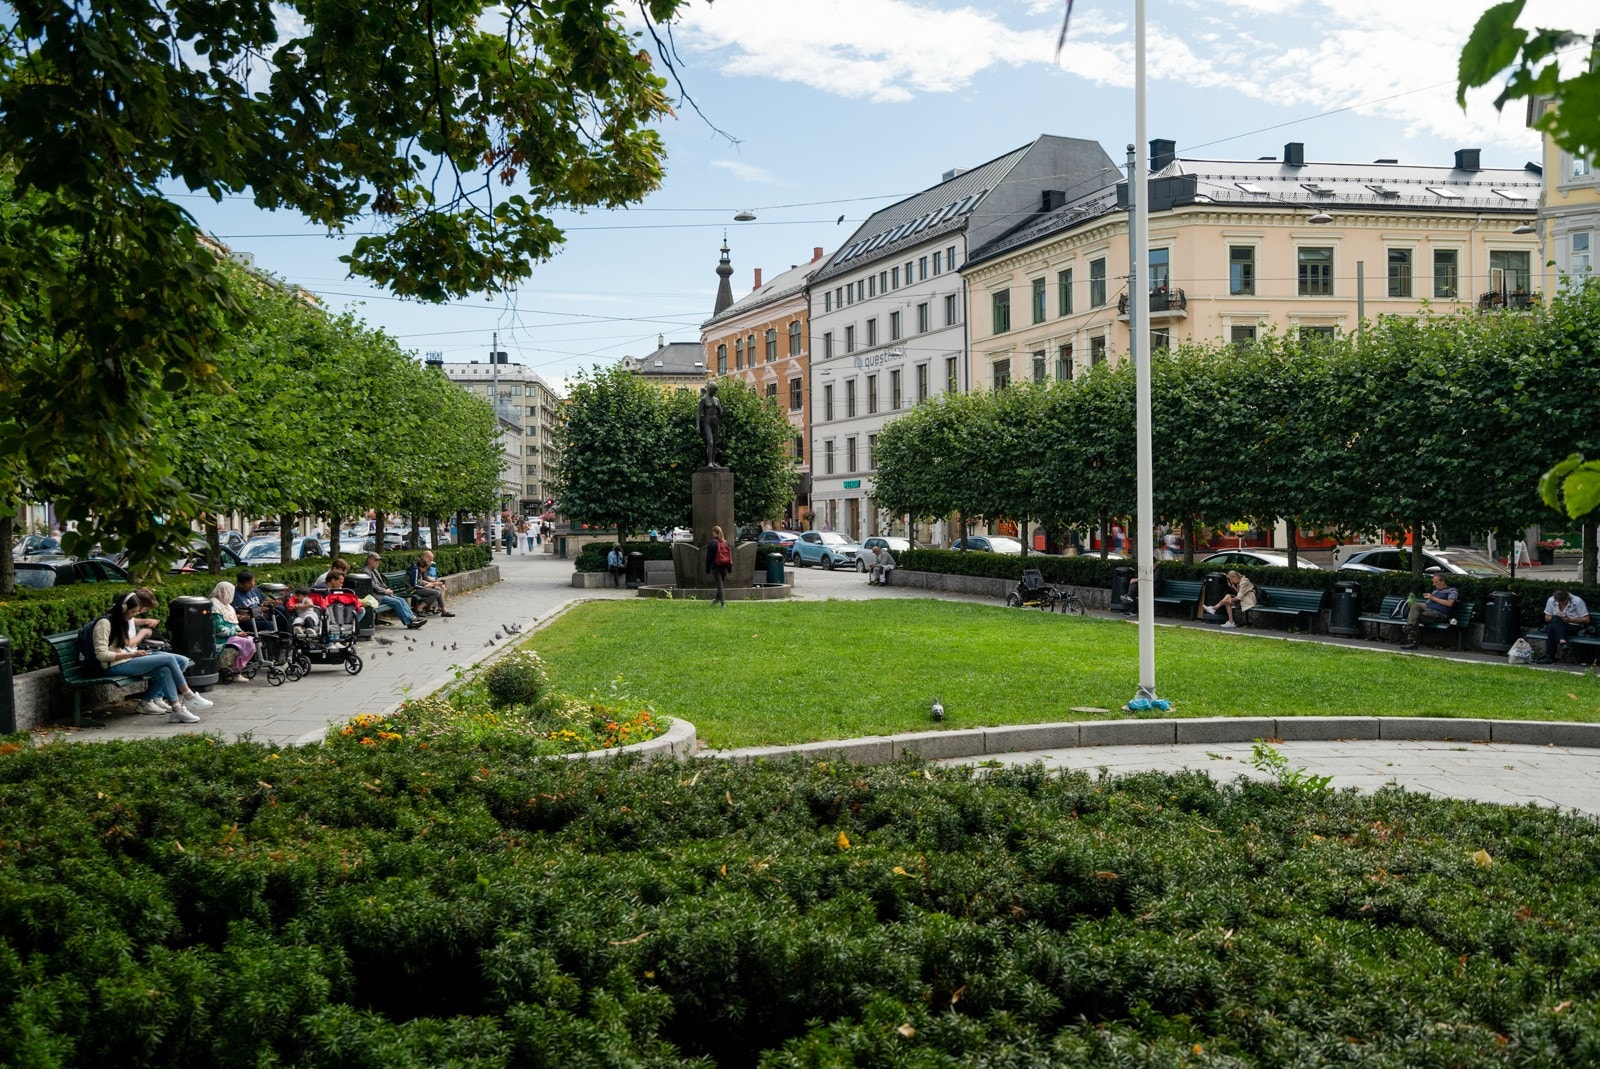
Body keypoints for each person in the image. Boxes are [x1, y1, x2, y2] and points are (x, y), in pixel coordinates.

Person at [95, 591, 213, 723]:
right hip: (114, 665)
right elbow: (101, 655)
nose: (134, 616)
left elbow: (124, 645)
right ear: (123, 608)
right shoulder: (104, 623)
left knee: (165, 668)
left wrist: (132, 653)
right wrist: (131, 654)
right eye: (133, 612)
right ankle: (189, 696)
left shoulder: (121, 621)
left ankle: (176, 710)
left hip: (127, 658)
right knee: (168, 659)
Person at [365, 553, 427, 629]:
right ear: (370, 560)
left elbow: (381, 583)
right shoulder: (366, 571)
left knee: (402, 600)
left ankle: (413, 619)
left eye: (378, 560)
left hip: (382, 593)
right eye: (376, 560)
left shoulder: (374, 570)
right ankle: (409, 623)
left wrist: (388, 589)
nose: (378, 562)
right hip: (376, 596)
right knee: (396, 602)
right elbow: (374, 586)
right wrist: (385, 591)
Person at [209, 581, 256, 681]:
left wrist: (241, 632)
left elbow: (234, 624)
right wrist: (236, 633)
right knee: (247, 643)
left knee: (255, 641)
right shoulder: (214, 605)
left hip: (232, 636)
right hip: (221, 638)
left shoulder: (228, 607)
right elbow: (218, 628)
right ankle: (236, 672)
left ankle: (238, 669)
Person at [1402, 573, 1459, 649]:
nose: (1434, 584)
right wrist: (1412, 605)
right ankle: (1410, 627)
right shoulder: (1435, 591)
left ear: (1443, 582)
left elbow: (1450, 603)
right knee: (1414, 607)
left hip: (1439, 614)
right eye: (1433, 582)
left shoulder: (1452, 590)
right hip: (1428, 611)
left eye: (1436, 582)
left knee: (1415, 617)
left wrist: (1433, 598)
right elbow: (1427, 604)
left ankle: (1412, 641)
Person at [1539, 589, 1591, 663]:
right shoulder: (1551, 600)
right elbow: (1547, 617)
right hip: (1560, 626)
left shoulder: (1577, 601)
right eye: (1560, 603)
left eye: (1565, 602)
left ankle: (1550, 656)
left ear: (1568, 597)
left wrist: (1570, 620)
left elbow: (1587, 619)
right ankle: (1562, 641)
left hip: (1575, 626)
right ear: (1556, 600)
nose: (1563, 604)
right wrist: (1558, 619)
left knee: (1552, 627)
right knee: (1553, 623)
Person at [406, 550, 454, 616]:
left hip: (418, 587)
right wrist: (426, 586)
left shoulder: (419, 568)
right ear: (422, 567)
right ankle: (420, 607)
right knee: (436, 592)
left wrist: (430, 584)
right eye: (425, 570)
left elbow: (419, 580)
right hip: (412, 589)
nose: (425, 571)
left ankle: (443, 610)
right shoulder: (415, 570)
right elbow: (414, 584)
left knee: (438, 590)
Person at [705, 524, 732, 606]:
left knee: (720, 586)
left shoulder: (712, 543)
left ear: (714, 533)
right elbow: (729, 556)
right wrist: (730, 568)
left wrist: (707, 569)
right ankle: (716, 600)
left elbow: (708, 558)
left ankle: (723, 604)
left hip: (715, 567)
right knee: (720, 584)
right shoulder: (725, 542)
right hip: (724, 567)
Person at [697, 382, 723, 467]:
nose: (715, 392)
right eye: (714, 390)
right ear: (710, 389)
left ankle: (713, 461)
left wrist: (722, 411)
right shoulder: (704, 399)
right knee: (710, 442)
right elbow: (698, 412)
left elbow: (720, 411)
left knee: (715, 443)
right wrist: (697, 426)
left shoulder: (717, 400)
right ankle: (709, 462)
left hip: (715, 422)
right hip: (707, 421)